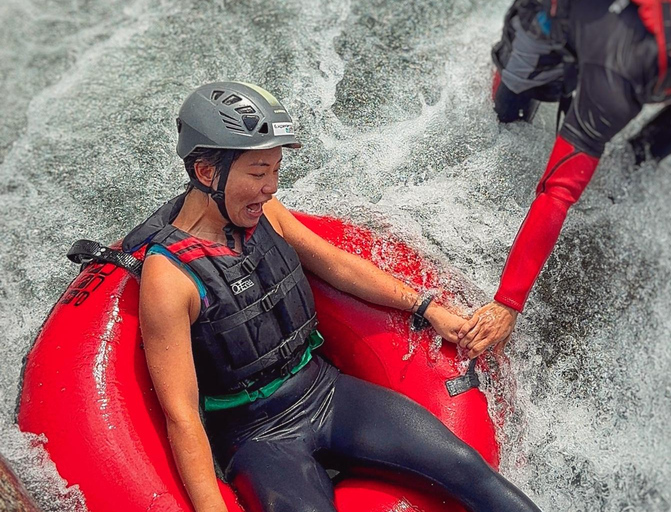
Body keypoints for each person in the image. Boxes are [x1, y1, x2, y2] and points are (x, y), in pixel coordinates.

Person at [128, 82, 542, 512]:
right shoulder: (169, 276)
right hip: (257, 437)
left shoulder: (266, 212)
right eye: (257, 173)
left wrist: (427, 308)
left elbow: (337, 266)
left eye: (275, 169)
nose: (271, 186)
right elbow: (182, 415)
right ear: (207, 173)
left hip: (325, 390)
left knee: (463, 465)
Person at [457, 0, 671, 354]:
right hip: (552, 19)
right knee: (507, 124)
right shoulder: (617, 79)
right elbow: (558, 191)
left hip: (648, 45)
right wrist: (507, 303)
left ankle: (636, 160)